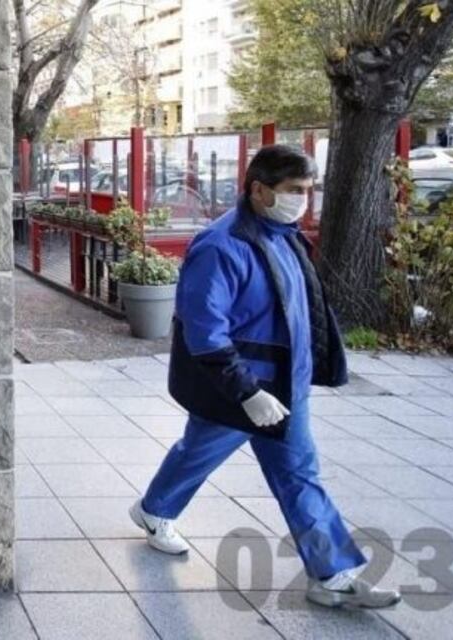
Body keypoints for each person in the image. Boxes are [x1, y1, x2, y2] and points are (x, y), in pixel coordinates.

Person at [130, 145, 401, 609]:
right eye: (293, 190)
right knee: (199, 453)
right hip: (242, 390)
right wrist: (248, 391)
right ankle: (154, 510)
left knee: (299, 474)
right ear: (258, 190)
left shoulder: (285, 236)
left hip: (284, 387)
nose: (303, 200)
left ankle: (332, 576)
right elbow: (204, 330)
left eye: (308, 191)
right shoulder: (221, 245)